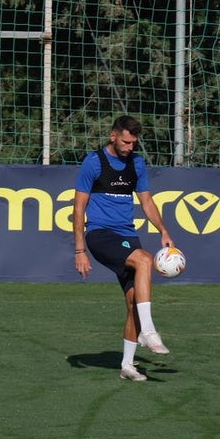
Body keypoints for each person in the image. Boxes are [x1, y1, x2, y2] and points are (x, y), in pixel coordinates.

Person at [73, 115, 175, 381]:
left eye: (134, 142)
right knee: (144, 261)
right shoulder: (94, 162)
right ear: (113, 135)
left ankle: (128, 366)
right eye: (126, 141)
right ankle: (149, 331)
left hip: (128, 235)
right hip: (99, 235)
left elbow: (147, 202)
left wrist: (163, 231)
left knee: (133, 303)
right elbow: (78, 208)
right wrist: (80, 250)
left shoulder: (137, 163)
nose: (130, 147)